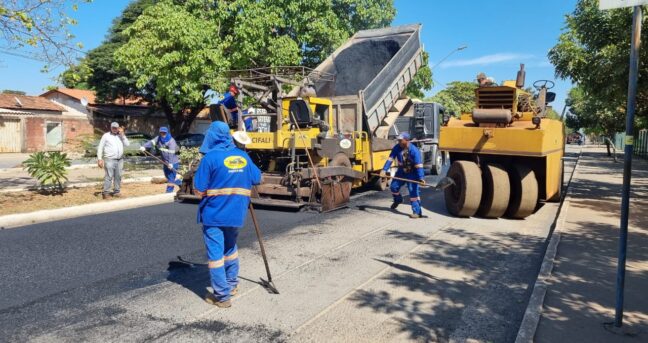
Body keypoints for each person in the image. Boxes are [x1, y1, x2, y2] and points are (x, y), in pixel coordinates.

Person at [193, 121, 262, 308]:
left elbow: (198, 190)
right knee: (230, 249)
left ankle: (222, 297)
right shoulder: (243, 156)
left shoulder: (210, 158)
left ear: (212, 136)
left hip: (214, 214)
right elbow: (258, 178)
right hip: (236, 214)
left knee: (216, 256)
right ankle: (231, 285)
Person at [379, 132, 425, 218]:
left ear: (407, 140)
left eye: (400, 140)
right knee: (393, 187)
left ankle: (417, 213)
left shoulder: (414, 151)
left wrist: (421, 178)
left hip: (412, 173)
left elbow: (419, 166)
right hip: (401, 172)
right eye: (398, 140)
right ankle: (398, 200)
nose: (399, 142)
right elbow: (390, 159)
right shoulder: (397, 148)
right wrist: (384, 169)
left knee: (413, 192)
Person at [140, 126, 180, 193]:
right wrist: (144, 146)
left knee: (170, 177)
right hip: (165, 162)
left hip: (173, 162)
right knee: (168, 176)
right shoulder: (158, 138)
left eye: (164, 133)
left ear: (167, 133)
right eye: (161, 133)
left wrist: (170, 163)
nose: (163, 134)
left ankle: (169, 192)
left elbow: (171, 153)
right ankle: (181, 183)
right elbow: (151, 142)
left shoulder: (171, 141)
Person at [97, 122, 130, 199]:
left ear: (118, 128)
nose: (115, 129)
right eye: (113, 128)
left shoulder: (120, 136)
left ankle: (116, 192)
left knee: (118, 176)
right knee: (109, 176)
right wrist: (99, 159)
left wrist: (123, 135)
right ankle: (106, 193)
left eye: (116, 128)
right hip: (109, 159)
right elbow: (100, 147)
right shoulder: (106, 136)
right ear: (111, 128)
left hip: (120, 160)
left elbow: (127, 144)